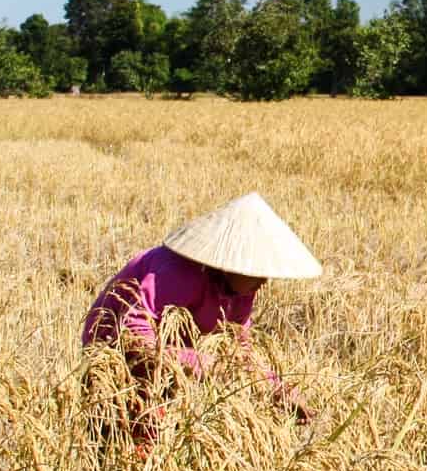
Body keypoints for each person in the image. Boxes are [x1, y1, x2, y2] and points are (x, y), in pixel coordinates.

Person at [82, 192, 321, 451]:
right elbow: (135, 337)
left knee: (160, 428)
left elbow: (238, 352)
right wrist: (196, 361)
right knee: (129, 426)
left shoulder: (242, 291)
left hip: (170, 351)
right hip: (113, 343)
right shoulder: (177, 271)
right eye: (259, 272)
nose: (264, 282)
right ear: (232, 264)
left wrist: (277, 389)